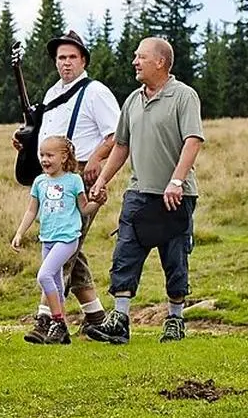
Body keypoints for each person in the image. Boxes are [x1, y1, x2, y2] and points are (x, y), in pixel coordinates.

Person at [86, 37, 205, 344]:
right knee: (125, 253)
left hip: (175, 195)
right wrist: (102, 181)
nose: (135, 62)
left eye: (141, 57)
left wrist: (176, 181)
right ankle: (120, 321)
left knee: (175, 258)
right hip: (138, 193)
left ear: (160, 62)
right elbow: (121, 145)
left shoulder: (184, 96)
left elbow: (193, 141)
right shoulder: (132, 101)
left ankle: (175, 321)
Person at [12, 30, 120, 340]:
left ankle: (47, 320)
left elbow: (115, 135)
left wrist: (98, 161)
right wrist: (26, 143)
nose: (66, 63)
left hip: (81, 176)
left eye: (73, 57)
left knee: (64, 246)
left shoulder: (96, 92)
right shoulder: (50, 95)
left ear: (84, 60)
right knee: (70, 246)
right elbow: (46, 137)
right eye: (61, 57)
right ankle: (96, 316)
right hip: (52, 178)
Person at [11, 135, 101, 344]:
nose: (44, 159)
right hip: (47, 239)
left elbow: (84, 209)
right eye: (42, 155)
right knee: (58, 284)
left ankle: (57, 320)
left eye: (50, 155)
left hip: (67, 239)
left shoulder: (73, 180)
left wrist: (98, 202)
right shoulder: (40, 182)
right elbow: (32, 209)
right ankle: (62, 334)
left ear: (64, 157)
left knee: (44, 276)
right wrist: (19, 233)